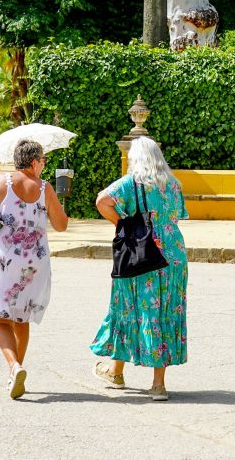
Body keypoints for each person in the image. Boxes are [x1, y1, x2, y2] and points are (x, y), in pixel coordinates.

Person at [91, 136, 189, 401]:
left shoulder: (131, 183)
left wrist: (121, 224)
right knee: (165, 313)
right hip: (173, 255)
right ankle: (156, 384)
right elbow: (176, 216)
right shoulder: (173, 185)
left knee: (126, 307)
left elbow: (102, 201)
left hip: (141, 252)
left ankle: (117, 371)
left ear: (135, 158)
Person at [0, 139, 69, 399]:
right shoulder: (44, 188)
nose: (44, 165)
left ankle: (13, 366)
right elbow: (62, 225)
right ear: (34, 162)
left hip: (3, 261)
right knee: (21, 318)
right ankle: (15, 371)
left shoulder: (0, 182)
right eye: (43, 160)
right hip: (34, 264)